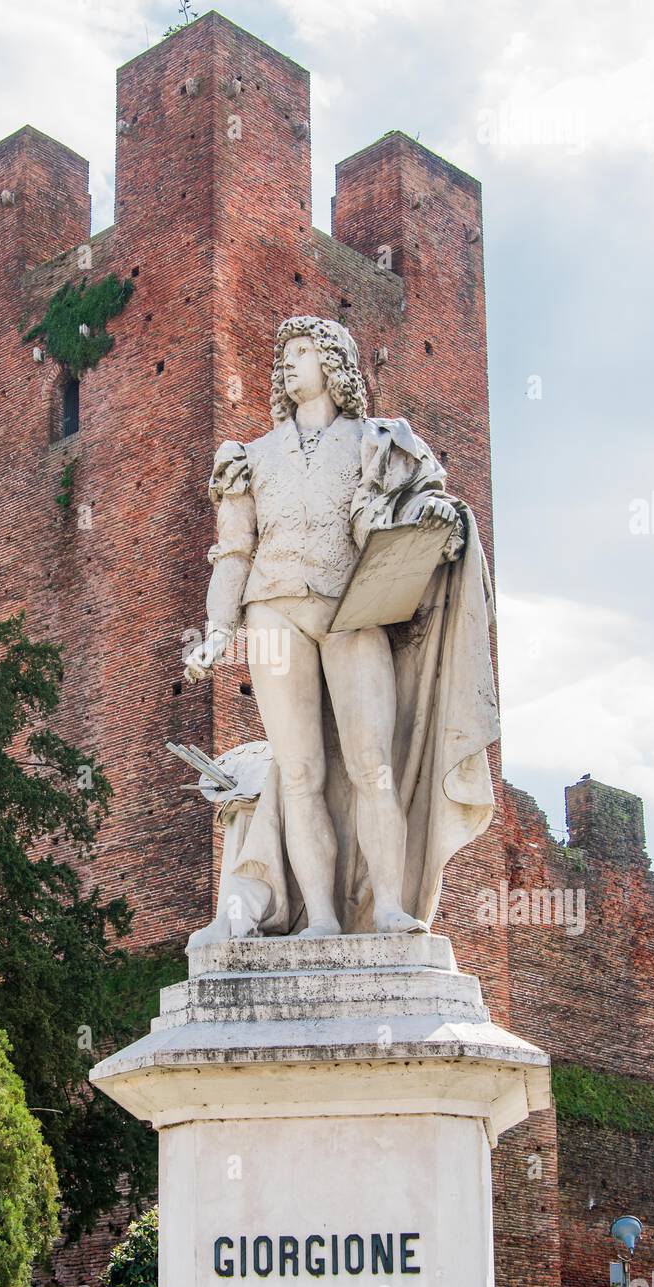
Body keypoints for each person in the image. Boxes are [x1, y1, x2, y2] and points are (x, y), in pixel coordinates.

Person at [184, 316, 499, 944]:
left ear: (334, 364)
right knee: (300, 773)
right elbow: (234, 552)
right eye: (284, 353)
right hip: (272, 608)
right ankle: (322, 920)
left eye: (302, 351)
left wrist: (435, 519)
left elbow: (416, 509)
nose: (288, 362)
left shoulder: (374, 441)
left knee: (371, 764)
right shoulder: (250, 458)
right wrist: (218, 630)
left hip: (352, 607)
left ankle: (387, 906)